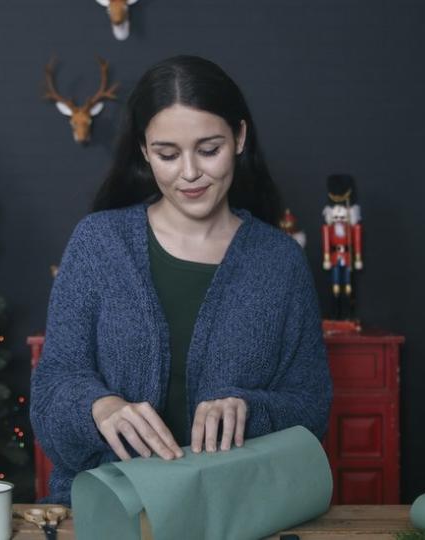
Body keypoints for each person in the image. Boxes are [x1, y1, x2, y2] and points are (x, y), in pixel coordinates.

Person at [30, 55, 332, 505]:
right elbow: (52, 388)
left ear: (240, 137)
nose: (189, 173)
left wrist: (250, 410)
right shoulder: (98, 243)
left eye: (209, 150)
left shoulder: (280, 261)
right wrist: (99, 407)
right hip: (110, 513)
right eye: (168, 155)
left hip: (239, 517)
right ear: (144, 151)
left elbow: (311, 406)